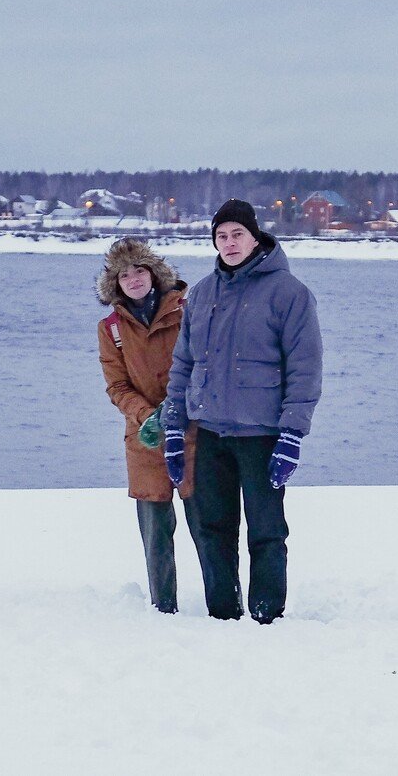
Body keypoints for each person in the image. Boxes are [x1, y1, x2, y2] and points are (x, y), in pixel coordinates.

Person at [164, 199, 323, 624]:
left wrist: (292, 436)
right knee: (212, 529)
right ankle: (223, 613)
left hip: (261, 435)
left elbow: (305, 368)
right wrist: (174, 427)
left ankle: (266, 615)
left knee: (266, 530)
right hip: (210, 432)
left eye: (238, 234)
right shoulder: (201, 294)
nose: (230, 243)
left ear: (255, 238)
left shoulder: (289, 293)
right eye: (221, 236)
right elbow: (183, 364)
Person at [95, 238, 199, 613]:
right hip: (146, 439)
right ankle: (163, 609)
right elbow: (117, 386)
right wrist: (147, 415)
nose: (134, 279)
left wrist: (179, 407)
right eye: (124, 275)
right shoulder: (111, 329)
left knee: (207, 526)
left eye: (139, 270)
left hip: (194, 434)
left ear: (154, 273)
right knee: (156, 534)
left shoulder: (187, 311)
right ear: (116, 284)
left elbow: (206, 365)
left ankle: (223, 607)